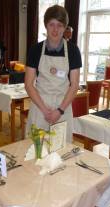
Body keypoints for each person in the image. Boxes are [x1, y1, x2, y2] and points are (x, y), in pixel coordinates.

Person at [25, 5, 82, 142]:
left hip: (63, 107)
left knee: (61, 153)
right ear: (46, 25)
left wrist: (59, 111)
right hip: (40, 107)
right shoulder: (35, 50)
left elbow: (74, 85)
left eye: (60, 25)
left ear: (65, 27)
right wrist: (45, 110)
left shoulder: (73, 51)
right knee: (35, 150)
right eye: (52, 24)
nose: (55, 30)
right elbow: (28, 84)